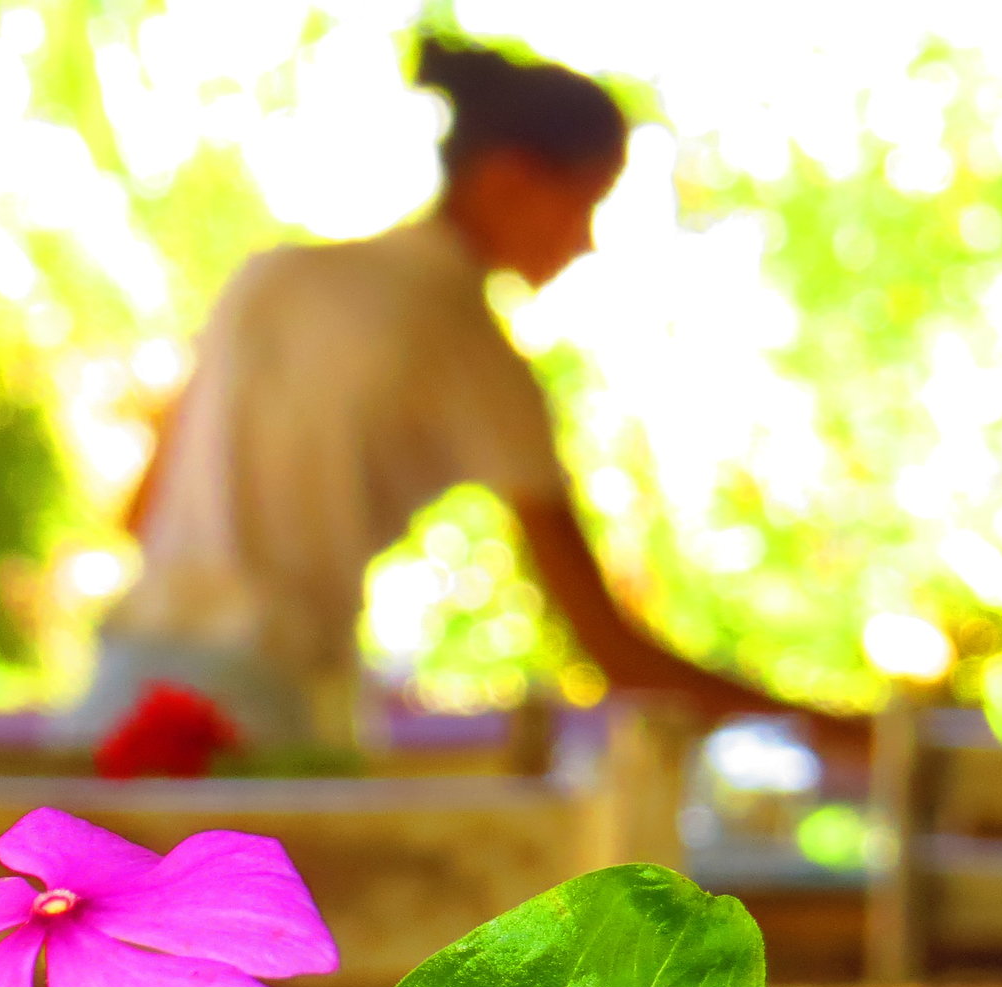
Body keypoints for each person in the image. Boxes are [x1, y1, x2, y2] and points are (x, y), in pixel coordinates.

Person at [72, 35, 832, 755]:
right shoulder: (472, 351)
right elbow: (606, 646)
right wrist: (833, 732)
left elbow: (139, 514)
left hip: (113, 706)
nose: (587, 240)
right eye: (585, 203)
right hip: (257, 735)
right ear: (506, 179)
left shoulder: (271, 278)